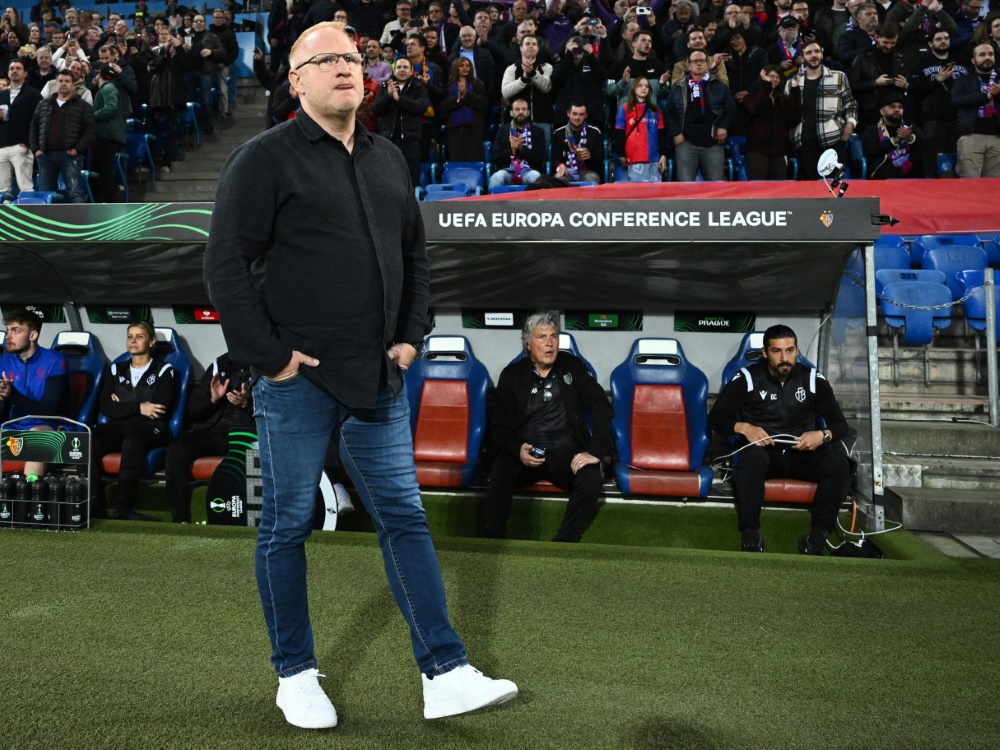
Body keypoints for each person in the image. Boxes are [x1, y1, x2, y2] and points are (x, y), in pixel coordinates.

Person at [203, 21, 517, 730]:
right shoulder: (262, 160)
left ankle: (445, 673)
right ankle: (295, 675)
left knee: (403, 517)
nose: (345, 67)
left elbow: (417, 258)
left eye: (352, 57)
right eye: (327, 59)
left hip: (379, 381)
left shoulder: (387, 159)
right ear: (297, 80)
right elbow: (224, 267)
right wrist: (271, 358)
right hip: (297, 384)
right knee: (286, 526)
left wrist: (411, 338)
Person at [708, 324, 851, 555]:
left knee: (838, 464)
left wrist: (822, 435)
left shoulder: (813, 379)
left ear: (797, 350)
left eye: (790, 350)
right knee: (751, 458)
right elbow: (715, 418)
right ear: (765, 353)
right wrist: (743, 427)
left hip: (803, 454)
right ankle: (751, 535)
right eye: (777, 351)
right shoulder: (747, 378)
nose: (785, 358)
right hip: (765, 454)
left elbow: (840, 425)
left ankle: (817, 538)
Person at [485, 311, 615, 543]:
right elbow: (499, 427)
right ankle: (492, 543)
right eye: (542, 337)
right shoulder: (512, 375)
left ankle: (562, 545)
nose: (550, 343)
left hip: (565, 455)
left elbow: (600, 406)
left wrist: (596, 450)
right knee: (500, 468)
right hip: (526, 453)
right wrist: (517, 449)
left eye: (554, 336)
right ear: (528, 344)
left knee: (591, 478)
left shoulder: (573, 368)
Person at [90, 321, 175, 520]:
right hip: (118, 426)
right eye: (130, 336)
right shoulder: (115, 369)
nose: (133, 341)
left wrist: (122, 405)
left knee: (132, 442)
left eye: (139, 336)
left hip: (151, 428)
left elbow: (159, 409)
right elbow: (106, 407)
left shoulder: (164, 370)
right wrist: (139, 407)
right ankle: (95, 503)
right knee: (90, 439)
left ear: (152, 341)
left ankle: (124, 507)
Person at [164, 352, 253, 524]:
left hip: (249, 434)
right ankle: (179, 520)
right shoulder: (220, 365)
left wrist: (246, 404)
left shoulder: (268, 365)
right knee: (177, 450)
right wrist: (212, 399)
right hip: (214, 432)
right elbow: (194, 412)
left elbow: (279, 413)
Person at [0, 308, 70, 481]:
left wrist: (11, 396)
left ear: (33, 336)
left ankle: (30, 496)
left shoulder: (54, 361)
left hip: (52, 426)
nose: (8, 336)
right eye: (8, 330)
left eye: (15, 331)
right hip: (14, 425)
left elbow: (49, 409)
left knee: (37, 434)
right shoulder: (3, 361)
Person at [786, 39, 857, 180]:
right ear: (803, 57)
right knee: (811, 188)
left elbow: (850, 103)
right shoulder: (792, 82)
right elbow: (788, 113)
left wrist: (851, 123)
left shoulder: (839, 77)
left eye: (817, 51)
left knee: (833, 186)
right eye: (809, 52)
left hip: (833, 138)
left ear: (822, 55)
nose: (813, 55)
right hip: (805, 142)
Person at [665, 49, 736, 181]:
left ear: (707, 64)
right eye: (695, 61)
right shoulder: (678, 88)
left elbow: (731, 111)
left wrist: (724, 127)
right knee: (685, 189)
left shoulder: (720, 86)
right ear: (688, 65)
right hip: (685, 143)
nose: (699, 64)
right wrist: (675, 133)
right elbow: (668, 114)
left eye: (702, 61)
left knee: (716, 188)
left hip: (713, 143)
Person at [29, 69, 94, 202]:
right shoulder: (43, 104)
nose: (63, 83)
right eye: (60, 81)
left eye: (67, 81)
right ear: (56, 83)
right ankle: (45, 223)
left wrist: (77, 149)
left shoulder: (83, 106)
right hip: (46, 156)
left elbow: (90, 130)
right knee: (45, 195)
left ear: (73, 84)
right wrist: (36, 150)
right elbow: (33, 128)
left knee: (75, 193)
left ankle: (79, 222)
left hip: (70, 156)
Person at [911, 29, 966, 176]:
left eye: (946, 38)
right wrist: (937, 81)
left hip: (959, 119)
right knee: (932, 159)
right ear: (930, 43)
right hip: (933, 120)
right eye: (939, 39)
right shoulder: (922, 64)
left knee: (958, 159)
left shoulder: (960, 61)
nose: (943, 41)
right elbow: (916, 92)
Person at [371, 55, 430, 187]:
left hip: (411, 141)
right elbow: (376, 110)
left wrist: (399, 99)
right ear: (394, 70)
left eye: (405, 67)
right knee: (389, 179)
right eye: (399, 67)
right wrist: (388, 96)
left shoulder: (418, 86)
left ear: (411, 71)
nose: (402, 70)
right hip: (389, 141)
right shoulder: (386, 85)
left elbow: (421, 107)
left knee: (411, 179)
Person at [952, 42, 1000, 178]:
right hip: (971, 137)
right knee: (970, 185)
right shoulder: (964, 79)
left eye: (990, 54)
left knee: (994, 188)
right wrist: (987, 96)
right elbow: (957, 101)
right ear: (973, 60)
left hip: (997, 138)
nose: (987, 57)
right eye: (982, 54)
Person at [744, 64, 795, 179]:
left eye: (777, 77)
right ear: (763, 76)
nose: (775, 79)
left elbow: (794, 118)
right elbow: (754, 109)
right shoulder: (750, 97)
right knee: (759, 190)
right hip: (757, 151)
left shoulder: (783, 100)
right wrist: (766, 87)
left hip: (779, 151)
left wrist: (795, 92)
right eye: (771, 76)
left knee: (778, 192)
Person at [0, 59, 41, 196]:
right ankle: (4, 216)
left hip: (21, 146)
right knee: (3, 190)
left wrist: (26, 143)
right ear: (8, 73)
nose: (14, 71)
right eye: (12, 68)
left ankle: (29, 215)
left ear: (25, 73)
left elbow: (38, 121)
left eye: (18, 68)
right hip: (1, 147)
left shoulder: (33, 94)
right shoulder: (1, 95)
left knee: (25, 186)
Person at [614, 75, 667, 181]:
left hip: (654, 158)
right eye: (640, 85)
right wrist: (620, 154)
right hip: (635, 158)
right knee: (639, 194)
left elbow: (661, 133)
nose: (644, 88)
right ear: (633, 88)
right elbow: (619, 132)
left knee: (655, 195)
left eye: (647, 86)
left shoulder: (656, 109)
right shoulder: (625, 108)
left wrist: (663, 155)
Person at [862, 90, 921, 178]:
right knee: (888, 170)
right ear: (882, 111)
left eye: (900, 107)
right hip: (884, 167)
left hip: (908, 166)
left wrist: (910, 139)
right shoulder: (872, 130)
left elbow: (925, 146)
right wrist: (894, 141)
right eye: (892, 107)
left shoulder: (910, 127)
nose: (897, 109)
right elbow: (871, 152)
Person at [437, 56, 486, 162]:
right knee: (456, 158)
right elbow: (442, 107)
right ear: (456, 68)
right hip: (454, 129)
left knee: (473, 158)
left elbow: (482, 104)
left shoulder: (477, 85)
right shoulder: (448, 86)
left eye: (467, 66)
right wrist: (457, 98)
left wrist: (466, 94)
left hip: (473, 128)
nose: (465, 68)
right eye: (461, 65)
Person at [489, 96, 545, 188]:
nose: (520, 112)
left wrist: (521, 148)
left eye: (524, 109)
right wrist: (512, 150)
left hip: (529, 171)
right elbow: (496, 158)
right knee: (496, 177)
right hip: (507, 171)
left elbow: (540, 159)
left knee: (536, 176)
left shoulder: (538, 132)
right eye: (517, 109)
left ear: (528, 113)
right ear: (511, 112)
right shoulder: (503, 131)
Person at [91, 63, 125, 202]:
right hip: (108, 135)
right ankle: (104, 200)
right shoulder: (109, 87)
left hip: (107, 136)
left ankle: (111, 202)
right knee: (101, 170)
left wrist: (92, 115)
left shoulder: (108, 88)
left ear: (99, 75)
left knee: (104, 171)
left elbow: (111, 108)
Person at [551, 101, 603, 182]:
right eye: (574, 114)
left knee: (592, 178)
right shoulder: (558, 133)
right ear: (568, 113)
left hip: (587, 171)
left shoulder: (595, 132)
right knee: (558, 180)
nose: (577, 118)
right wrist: (560, 165)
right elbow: (554, 158)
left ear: (586, 115)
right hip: (566, 171)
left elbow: (600, 160)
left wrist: (590, 156)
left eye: (581, 114)